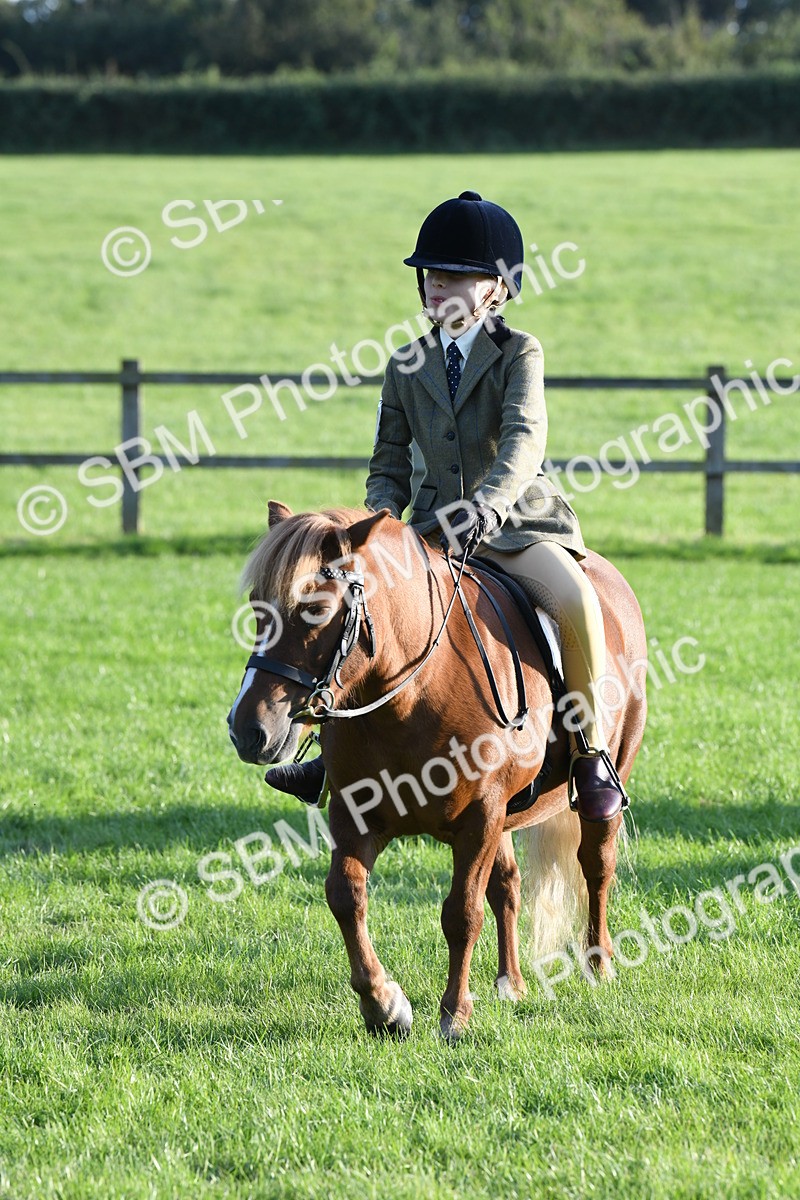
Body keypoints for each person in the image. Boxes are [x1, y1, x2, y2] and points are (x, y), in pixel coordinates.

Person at [266, 191, 627, 822]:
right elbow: (389, 462)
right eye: (432, 274)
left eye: (455, 274)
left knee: (574, 601)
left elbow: (523, 438)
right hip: (430, 532)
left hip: (516, 525)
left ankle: (591, 752)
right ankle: (329, 754)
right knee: (359, 614)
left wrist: (486, 506)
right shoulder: (407, 363)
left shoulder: (520, 353)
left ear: (495, 288)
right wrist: (377, 528)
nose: (437, 285)